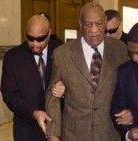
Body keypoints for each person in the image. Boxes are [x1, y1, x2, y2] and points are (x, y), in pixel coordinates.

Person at [45, 2, 130, 141]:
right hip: (74, 135)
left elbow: (132, 87)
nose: (94, 30)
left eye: (99, 24)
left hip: (109, 134)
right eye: (88, 24)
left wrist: (132, 112)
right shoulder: (62, 54)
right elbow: (52, 97)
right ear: (80, 24)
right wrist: (53, 135)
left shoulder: (121, 51)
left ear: (105, 22)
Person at [0, 15, 63, 141]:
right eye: (30, 38)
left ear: (49, 33)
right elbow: (9, 95)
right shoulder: (12, 58)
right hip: (27, 130)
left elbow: (75, 83)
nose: (35, 44)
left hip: (59, 128)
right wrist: (33, 113)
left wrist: (64, 88)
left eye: (40, 39)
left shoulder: (61, 51)